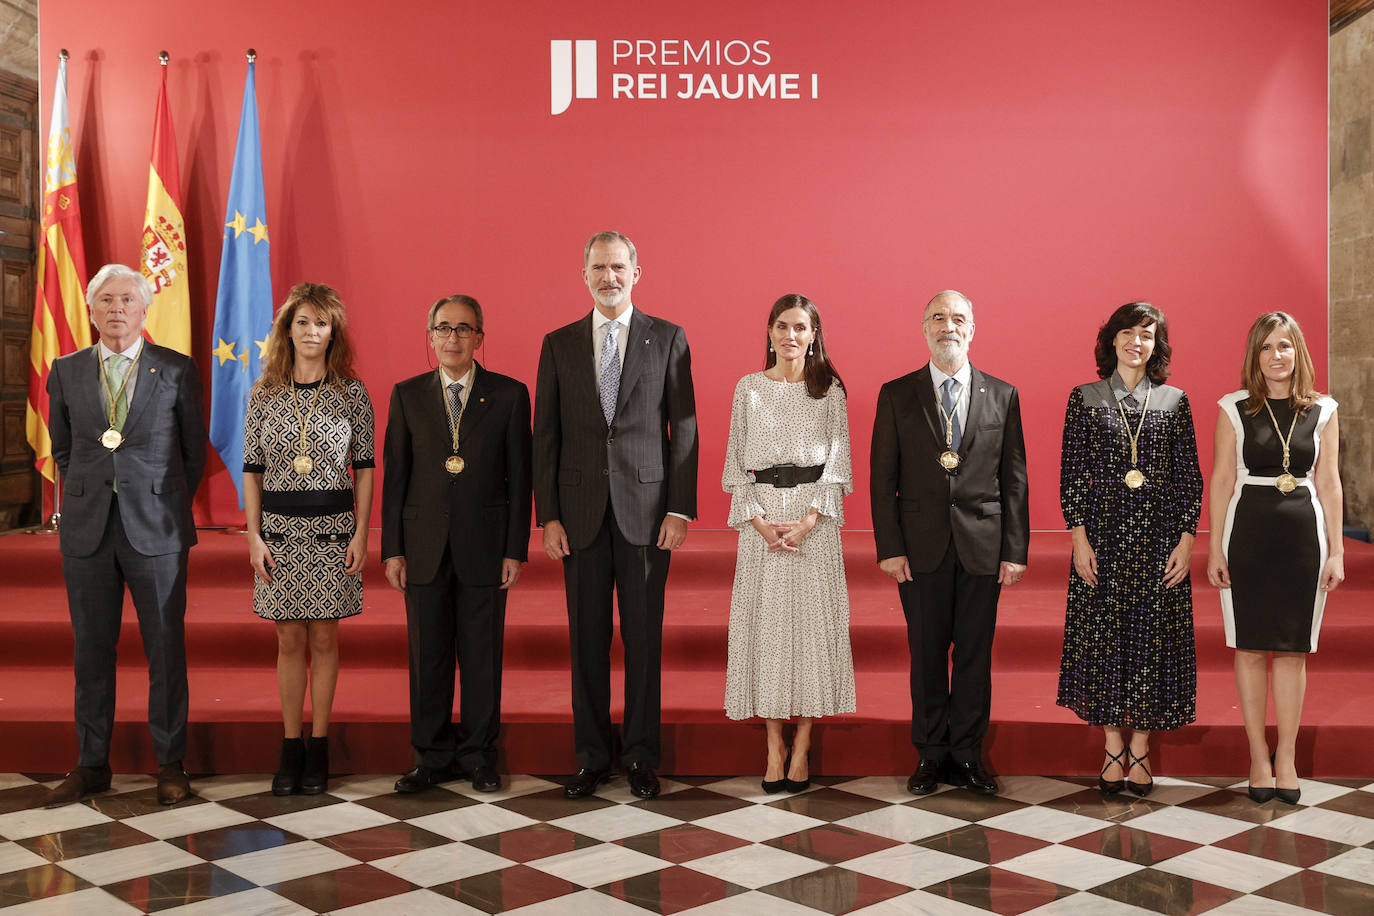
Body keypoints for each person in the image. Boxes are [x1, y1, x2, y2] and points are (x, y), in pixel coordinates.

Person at [534, 230, 698, 799]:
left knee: (643, 640)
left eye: (619, 267)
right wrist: (548, 515)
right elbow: (545, 437)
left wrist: (679, 507)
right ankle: (591, 757)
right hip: (578, 516)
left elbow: (684, 431)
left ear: (637, 272)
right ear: (584, 275)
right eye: (599, 268)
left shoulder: (668, 338)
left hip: (648, 514)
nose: (609, 277)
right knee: (586, 640)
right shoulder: (558, 344)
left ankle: (641, 757)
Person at [44, 264, 206, 807]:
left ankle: (171, 763)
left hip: (157, 529)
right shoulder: (65, 370)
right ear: (91, 310)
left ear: (144, 310)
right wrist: (91, 491)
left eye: (127, 300)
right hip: (89, 531)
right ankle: (92, 764)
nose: (117, 309)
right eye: (106, 300)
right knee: (91, 651)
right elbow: (64, 450)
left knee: (165, 649)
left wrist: (158, 499)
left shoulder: (176, 370)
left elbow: (192, 453)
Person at [870, 289, 1029, 797]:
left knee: (975, 657)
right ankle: (931, 755)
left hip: (983, 547)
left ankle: (968, 755)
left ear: (973, 329)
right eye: (938, 318)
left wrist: (1015, 550)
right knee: (926, 654)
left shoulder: (1002, 395)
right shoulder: (896, 394)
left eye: (958, 318)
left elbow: (1015, 479)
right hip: (919, 550)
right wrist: (890, 547)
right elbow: (882, 480)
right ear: (924, 329)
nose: (948, 326)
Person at [382, 294, 532, 795]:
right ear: (430, 336)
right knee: (427, 655)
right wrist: (393, 548)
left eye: (463, 329)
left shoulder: (509, 395)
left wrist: (515, 548)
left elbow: (520, 478)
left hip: (486, 546)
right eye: (443, 328)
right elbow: (395, 478)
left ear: (479, 338)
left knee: (482, 655)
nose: (452, 338)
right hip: (423, 545)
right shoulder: (406, 395)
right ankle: (430, 756)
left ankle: (477, 754)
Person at [1056, 302, 1202, 797]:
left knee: (1152, 642)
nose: (1136, 342)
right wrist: (1078, 537)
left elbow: (1189, 476)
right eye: (1127, 332)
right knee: (1104, 642)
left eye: (1147, 334)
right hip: (1103, 537)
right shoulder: (1086, 397)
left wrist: (1186, 539)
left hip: (1161, 539)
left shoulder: (1175, 401)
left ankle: (1141, 748)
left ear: (1156, 344)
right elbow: (1073, 472)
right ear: (1111, 340)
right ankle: (1111, 747)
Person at [243, 283, 374, 796]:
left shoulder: (351, 392)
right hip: (278, 533)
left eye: (321, 323)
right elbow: (251, 470)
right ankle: (290, 745)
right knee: (288, 639)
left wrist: (362, 531)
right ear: (287, 330)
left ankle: (319, 746)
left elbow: (363, 469)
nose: (311, 332)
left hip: (333, 532)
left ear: (333, 330)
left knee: (324, 638)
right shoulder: (264, 392)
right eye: (302, 322)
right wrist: (253, 536)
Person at [1207, 312, 1343, 805]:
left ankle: (1285, 755)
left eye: (1284, 345)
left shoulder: (1324, 409)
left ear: (1298, 351)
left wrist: (1338, 551)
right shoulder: (1233, 407)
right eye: (1266, 347)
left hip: (1304, 538)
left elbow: (1329, 482)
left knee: (1291, 649)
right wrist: (1215, 546)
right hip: (1248, 535)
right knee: (1248, 647)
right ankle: (1257, 756)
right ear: (1254, 356)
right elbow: (1222, 479)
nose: (1276, 355)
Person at [723, 294, 855, 793]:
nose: (790, 336)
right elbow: (736, 460)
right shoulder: (749, 389)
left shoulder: (830, 392)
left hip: (812, 525)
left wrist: (806, 522)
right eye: (782, 326)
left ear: (814, 334)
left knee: (811, 633)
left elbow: (838, 463)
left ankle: (803, 744)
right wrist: (759, 522)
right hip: (761, 521)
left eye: (800, 327)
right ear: (770, 332)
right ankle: (773, 745)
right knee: (767, 633)